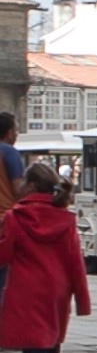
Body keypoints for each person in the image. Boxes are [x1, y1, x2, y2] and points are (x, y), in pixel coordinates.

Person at [0, 163, 90, 353]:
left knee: (33, 345)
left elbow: (4, 255)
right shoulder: (64, 219)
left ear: (29, 186)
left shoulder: (15, 217)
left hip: (26, 287)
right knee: (51, 340)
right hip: (57, 288)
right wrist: (82, 299)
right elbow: (75, 261)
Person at [0, 111, 24, 322]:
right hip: (3, 220)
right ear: (8, 133)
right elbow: (19, 189)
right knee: (4, 279)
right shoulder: (8, 153)